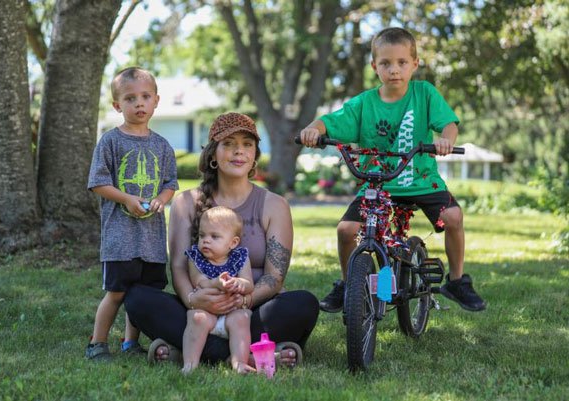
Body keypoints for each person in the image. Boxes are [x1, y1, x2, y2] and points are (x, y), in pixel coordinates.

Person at [299, 27, 486, 313]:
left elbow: (448, 124)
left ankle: (457, 281)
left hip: (421, 181)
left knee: (453, 216)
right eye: (385, 63)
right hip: (378, 183)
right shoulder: (364, 103)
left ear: (415, 64)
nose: (394, 70)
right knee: (346, 230)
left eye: (401, 62)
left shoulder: (424, 94)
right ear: (375, 66)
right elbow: (330, 121)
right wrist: (313, 129)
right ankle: (348, 284)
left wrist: (446, 140)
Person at [124, 112, 319, 369]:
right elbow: (179, 268)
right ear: (213, 154)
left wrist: (242, 301)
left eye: (247, 144)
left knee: (304, 303)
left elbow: (274, 277)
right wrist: (194, 299)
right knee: (137, 298)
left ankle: (189, 351)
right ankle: (248, 355)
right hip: (198, 311)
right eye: (228, 143)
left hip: (251, 310)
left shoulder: (274, 205)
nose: (239, 151)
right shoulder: (186, 203)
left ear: (254, 155)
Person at [85, 67, 179, 360]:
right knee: (117, 293)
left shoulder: (162, 146)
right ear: (117, 105)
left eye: (145, 96)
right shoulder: (111, 141)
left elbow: (170, 183)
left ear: (156, 101)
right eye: (130, 98)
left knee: (143, 295)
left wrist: (161, 199)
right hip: (120, 239)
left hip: (151, 239)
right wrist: (126, 199)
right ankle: (97, 343)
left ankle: (130, 343)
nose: (139, 103)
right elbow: (97, 182)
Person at [182, 206, 254, 374]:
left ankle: (239, 362)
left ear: (233, 243)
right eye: (202, 235)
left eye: (214, 236)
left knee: (242, 318)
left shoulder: (240, 257)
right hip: (206, 313)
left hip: (232, 312)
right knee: (196, 318)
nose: (206, 241)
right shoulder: (196, 257)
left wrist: (238, 283)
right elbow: (199, 282)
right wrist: (216, 283)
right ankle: (190, 364)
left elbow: (249, 284)